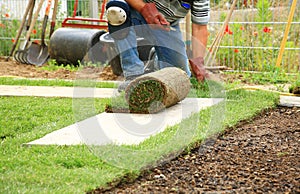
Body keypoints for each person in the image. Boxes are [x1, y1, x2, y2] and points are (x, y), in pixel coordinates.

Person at [105, 0, 210, 92]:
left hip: (166, 25)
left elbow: (200, 28)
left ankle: (155, 61)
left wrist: (198, 62)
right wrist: (143, 8)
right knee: (116, 8)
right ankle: (133, 74)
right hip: (136, 13)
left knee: (179, 75)